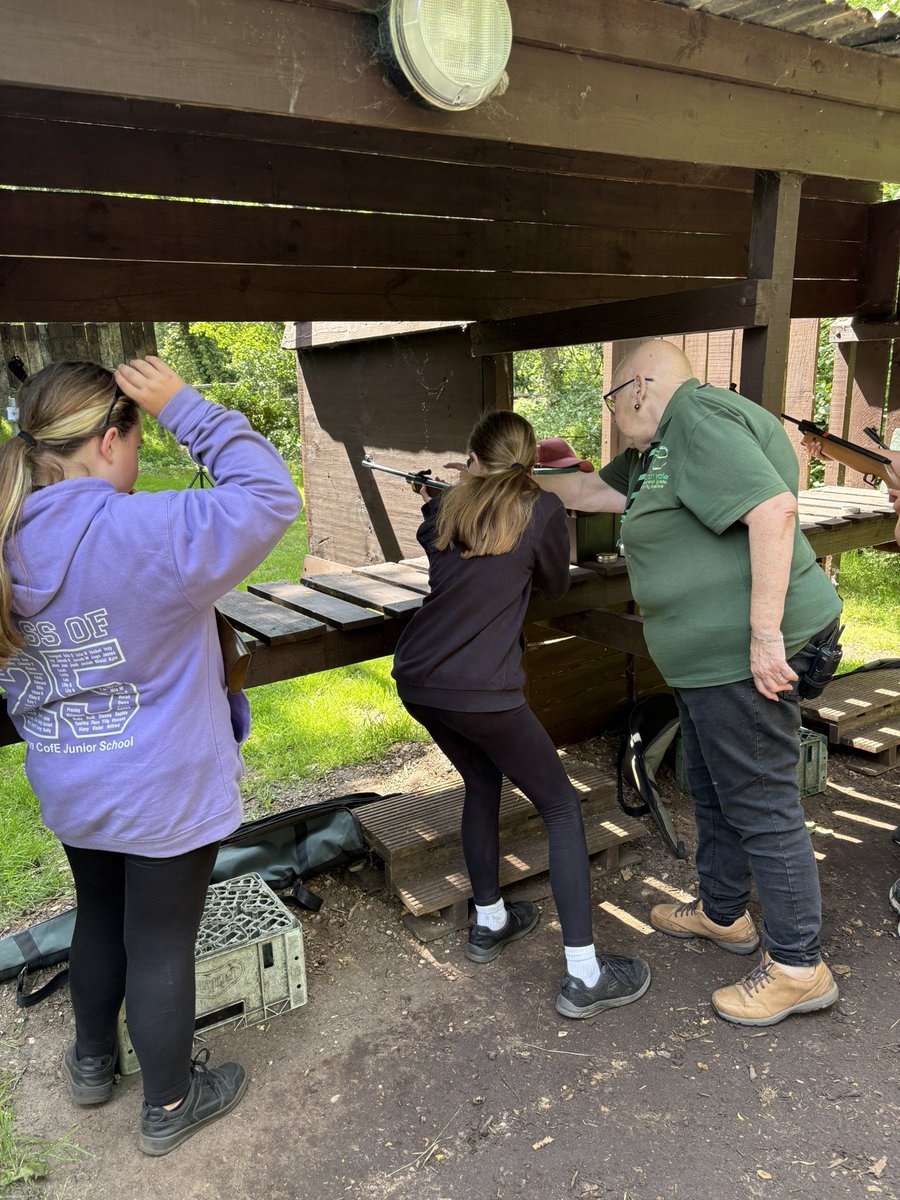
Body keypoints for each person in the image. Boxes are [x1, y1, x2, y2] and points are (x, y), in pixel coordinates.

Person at [0, 356, 301, 1153]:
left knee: (100, 914)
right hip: (162, 789)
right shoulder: (145, 531)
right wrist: (185, 407)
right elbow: (272, 497)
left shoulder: (7, 538)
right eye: (134, 441)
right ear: (109, 441)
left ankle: (92, 1062)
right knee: (161, 941)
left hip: (70, 780)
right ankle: (170, 1105)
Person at [535, 340, 843, 1027]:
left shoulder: (696, 419)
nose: (614, 419)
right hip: (708, 665)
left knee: (760, 803)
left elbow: (772, 511)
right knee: (709, 784)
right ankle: (724, 913)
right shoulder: (656, 451)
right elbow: (585, 491)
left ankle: (798, 967)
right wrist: (501, 479)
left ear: (640, 388)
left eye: (613, 401)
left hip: (743, 657)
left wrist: (764, 637)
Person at [391, 410, 651, 1018]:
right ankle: (585, 975)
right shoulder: (541, 510)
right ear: (530, 464)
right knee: (560, 805)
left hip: (420, 679)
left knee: (481, 780)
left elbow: (446, 533)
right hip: (484, 688)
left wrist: (445, 492)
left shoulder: (444, 509)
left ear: (473, 459)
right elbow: (555, 586)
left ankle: (489, 922)